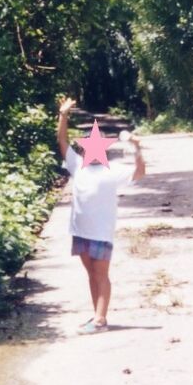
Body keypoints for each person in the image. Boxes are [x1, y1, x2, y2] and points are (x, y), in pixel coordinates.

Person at [57, 96, 146, 334]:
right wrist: (63, 115)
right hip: (80, 230)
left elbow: (139, 173)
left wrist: (137, 148)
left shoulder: (113, 171)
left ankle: (100, 320)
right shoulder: (77, 165)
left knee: (101, 274)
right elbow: (62, 140)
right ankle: (97, 316)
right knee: (91, 274)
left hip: (101, 232)